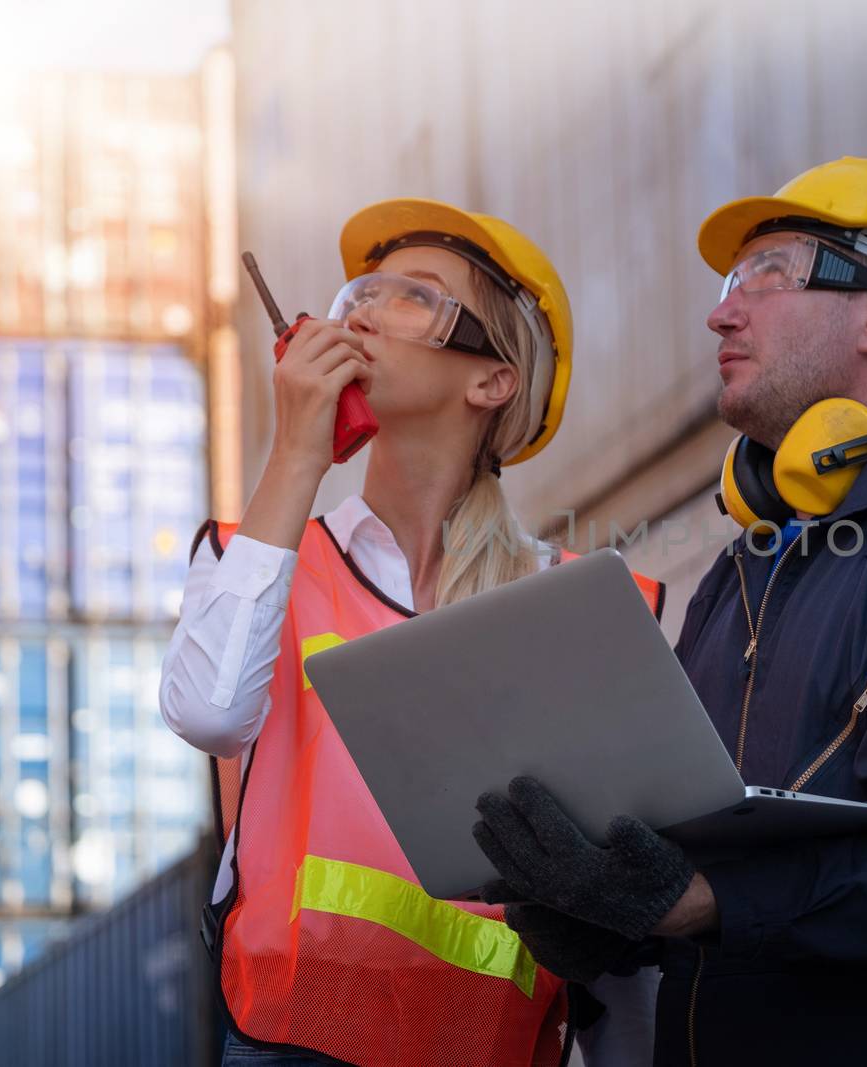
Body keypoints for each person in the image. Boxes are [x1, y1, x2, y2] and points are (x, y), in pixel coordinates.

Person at [472, 158, 867, 1066]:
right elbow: (691, 855)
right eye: (730, 286)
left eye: (764, 276)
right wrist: (596, 918)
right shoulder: (741, 575)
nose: (722, 312)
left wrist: (685, 900)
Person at [159, 199, 664, 1066]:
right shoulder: (262, 560)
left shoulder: (575, 605)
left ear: (491, 380)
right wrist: (296, 455)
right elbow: (207, 713)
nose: (361, 309)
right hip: (292, 1041)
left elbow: (621, 934)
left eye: (413, 294)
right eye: (361, 289)